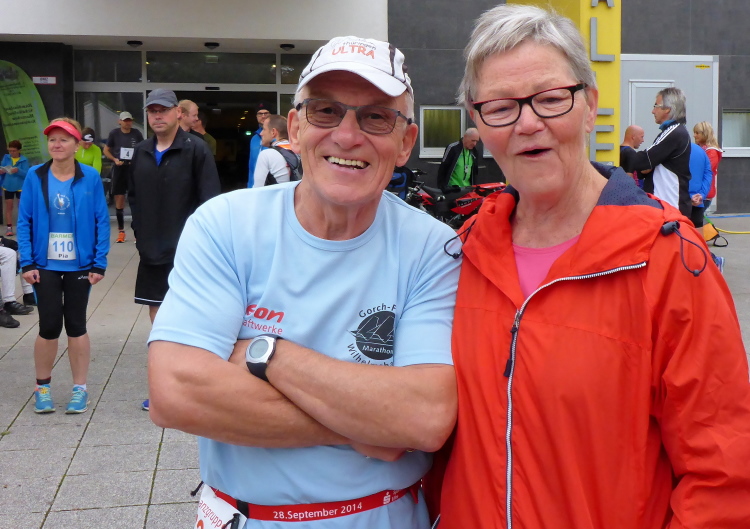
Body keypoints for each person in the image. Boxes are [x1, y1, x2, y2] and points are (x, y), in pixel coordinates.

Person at [427, 5, 750, 528]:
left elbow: (723, 475)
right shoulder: (459, 255)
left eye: (551, 98)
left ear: (589, 105)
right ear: (477, 121)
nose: (528, 123)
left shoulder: (669, 260)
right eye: (501, 106)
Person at [147, 36, 460, 529]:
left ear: (405, 143)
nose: (347, 136)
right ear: (294, 128)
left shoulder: (433, 248)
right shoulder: (225, 224)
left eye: (376, 117)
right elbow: (176, 392)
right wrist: (363, 427)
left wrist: (267, 354)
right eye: (325, 111)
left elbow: (422, 417)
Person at [128, 89, 220, 412]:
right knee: (159, 319)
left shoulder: (196, 149)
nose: (157, 116)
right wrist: (139, 234)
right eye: (152, 110)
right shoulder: (141, 152)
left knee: (192, 319)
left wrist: (204, 245)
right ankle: (164, 389)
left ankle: (196, 387)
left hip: (188, 251)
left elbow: (210, 200)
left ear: (177, 114)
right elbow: (133, 196)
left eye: (163, 110)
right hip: (151, 250)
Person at [18, 117, 110, 415]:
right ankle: (42, 388)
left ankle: (80, 389)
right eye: (52, 140)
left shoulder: (90, 176)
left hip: (80, 264)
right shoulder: (35, 175)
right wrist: (26, 261)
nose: (56, 145)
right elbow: (24, 220)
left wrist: (99, 261)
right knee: (48, 325)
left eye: (63, 140)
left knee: (76, 324)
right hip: (43, 264)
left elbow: (101, 219)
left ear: (76, 145)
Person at [631, 87, 692, 216]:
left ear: (667, 109)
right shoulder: (675, 131)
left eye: (656, 106)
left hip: (670, 207)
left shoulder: (674, 132)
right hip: (667, 206)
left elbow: (645, 159)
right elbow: (648, 165)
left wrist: (623, 152)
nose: (653, 111)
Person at [104, 112, 144, 244]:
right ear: (120, 121)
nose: (128, 123)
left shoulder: (136, 133)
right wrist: (115, 159)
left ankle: (138, 232)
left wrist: (136, 160)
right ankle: (121, 231)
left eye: (129, 120)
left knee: (135, 200)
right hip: (119, 168)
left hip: (133, 169)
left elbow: (142, 149)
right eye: (125, 120)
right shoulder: (114, 133)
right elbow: (106, 150)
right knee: (119, 199)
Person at [251, 114, 296, 187]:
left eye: (264, 129)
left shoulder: (267, 154)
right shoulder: (300, 151)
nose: (261, 133)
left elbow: (258, 189)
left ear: (273, 132)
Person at [0, 140, 29, 236]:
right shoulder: (6, 157)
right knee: (9, 207)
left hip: (20, 186)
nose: (11, 153)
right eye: (10, 151)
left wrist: (18, 170)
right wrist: (1, 171)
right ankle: (9, 228)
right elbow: (2, 167)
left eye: (14, 151)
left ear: (19, 150)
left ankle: (22, 227)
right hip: (8, 185)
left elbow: (27, 174)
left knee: (22, 207)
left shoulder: (24, 160)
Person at [693, 121, 723, 212]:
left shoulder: (711, 152)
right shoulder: (701, 149)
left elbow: (704, 171)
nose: (694, 135)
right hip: (698, 191)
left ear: (705, 134)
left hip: (703, 193)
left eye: (697, 133)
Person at [247, 104, 270, 187]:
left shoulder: (276, 136)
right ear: (256, 116)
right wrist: (250, 186)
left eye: (266, 113)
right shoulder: (254, 139)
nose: (263, 116)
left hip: (271, 185)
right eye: (260, 114)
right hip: (255, 186)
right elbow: (251, 165)